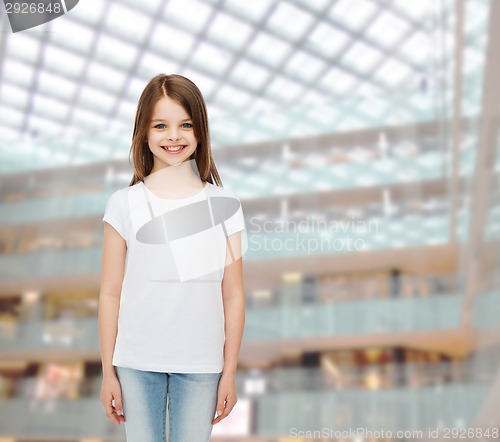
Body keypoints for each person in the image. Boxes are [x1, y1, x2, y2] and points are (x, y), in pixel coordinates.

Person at [98, 73, 247, 442]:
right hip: (135, 361)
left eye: (185, 125)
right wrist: (107, 372)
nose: (173, 136)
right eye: (160, 125)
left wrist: (229, 372)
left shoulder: (224, 206)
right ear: (144, 134)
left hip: (201, 364)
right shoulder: (123, 204)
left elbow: (233, 294)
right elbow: (109, 294)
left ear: (200, 134)